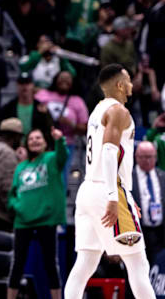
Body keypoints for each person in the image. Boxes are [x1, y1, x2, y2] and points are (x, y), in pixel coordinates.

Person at [64, 64, 156, 299]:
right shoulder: (119, 112)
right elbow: (107, 153)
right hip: (108, 189)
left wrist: (126, 196)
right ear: (119, 85)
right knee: (138, 264)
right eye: (128, 80)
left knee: (84, 265)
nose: (132, 84)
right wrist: (115, 197)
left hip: (88, 190)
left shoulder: (97, 109)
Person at [7, 127, 67, 299]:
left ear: (45, 142)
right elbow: (12, 194)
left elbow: (63, 155)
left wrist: (59, 140)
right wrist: (17, 206)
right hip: (22, 221)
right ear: (26, 143)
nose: (35, 140)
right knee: (17, 264)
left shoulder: (52, 158)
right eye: (31, 138)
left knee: (50, 264)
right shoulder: (21, 167)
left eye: (38, 137)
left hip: (46, 220)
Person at [131, 141, 165, 263]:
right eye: (143, 157)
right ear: (136, 157)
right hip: (139, 232)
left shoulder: (162, 176)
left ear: (155, 157)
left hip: (160, 233)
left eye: (150, 157)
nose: (147, 160)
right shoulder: (129, 178)